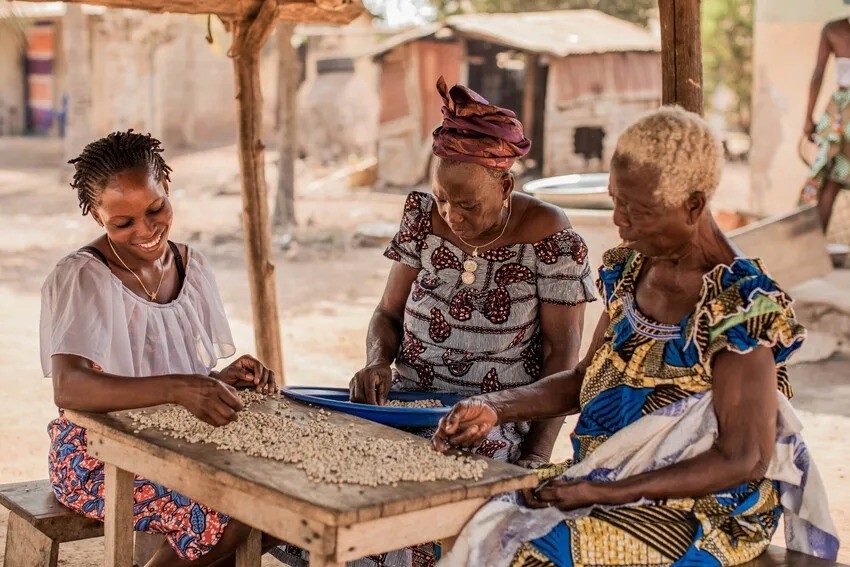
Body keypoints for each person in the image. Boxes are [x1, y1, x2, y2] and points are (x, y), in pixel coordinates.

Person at [434, 107, 839, 566]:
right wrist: (495, 407)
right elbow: (584, 381)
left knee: (532, 553)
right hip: (604, 478)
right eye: (616, 201)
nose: (620, 221)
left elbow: (743, 458)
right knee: (468, 513)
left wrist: (606, 492)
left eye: (638, 210)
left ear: (693, 205)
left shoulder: (738, 305)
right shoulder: (630, 270)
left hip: (704, 511)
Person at [41, 130, 278, 566]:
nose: (146, 231)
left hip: (174, 443)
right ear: (97, 217)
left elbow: (165, 374)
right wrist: (179, 388)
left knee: (276, 499)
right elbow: (69, 387)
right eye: (123, 223)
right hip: (96, 453)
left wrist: (216, 382)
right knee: (226, 510)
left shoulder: (190, 266)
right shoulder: (84, 276)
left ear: (167, 187)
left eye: (155, 209)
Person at [349, 76, 596, 467]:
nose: (452, 216)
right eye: (442, 199)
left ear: (505, 186)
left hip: (492, 421)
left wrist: (535, 454)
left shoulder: (547, 235)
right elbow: (387, 313)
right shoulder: (422, 219)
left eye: (468, 204)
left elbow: (561, 352)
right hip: (408, 403)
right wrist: (377, 361)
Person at [804, 17, 850, 230]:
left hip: (839, 114)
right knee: (829, 179)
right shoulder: (833, 30)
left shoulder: (834, 30)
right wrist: (808, 118)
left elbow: (818, 74)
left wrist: (808, 119)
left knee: (829, 180)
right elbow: (818, 75)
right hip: (840, 115)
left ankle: (812, 243)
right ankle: (812, 242)